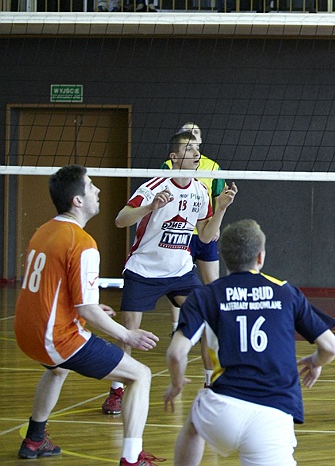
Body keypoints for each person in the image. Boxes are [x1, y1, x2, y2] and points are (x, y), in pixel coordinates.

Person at [14, 165, 163, 465]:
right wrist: (127, 334)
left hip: (26, 333)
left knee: (57, 369)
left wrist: (86, 308)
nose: (97, 190)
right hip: (54, 338)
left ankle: (34, 439)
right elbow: (88, 310)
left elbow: (55, 290)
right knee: (140, 375)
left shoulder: (44, 230)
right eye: (91, 185)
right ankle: (132, 458)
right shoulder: (82, 243)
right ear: (77, 201)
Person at [164, 219, 335, 465]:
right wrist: (316, 362)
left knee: (194, 424)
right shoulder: (286, 292)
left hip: (223, 410)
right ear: (260, 257)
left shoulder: (206, 294)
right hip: (272, 414)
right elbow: (331, 347)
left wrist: (175, 384)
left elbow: (175, 354)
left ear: (225, 258)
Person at [101, 131, 237, 415]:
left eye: (198, 149)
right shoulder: (153, 186)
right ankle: (116, 390)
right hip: (143, 270)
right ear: (174, 157)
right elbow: (120, 220)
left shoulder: (200, 191)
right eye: (189, 149)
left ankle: (211, 385)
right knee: (128, 332)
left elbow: (206, 236)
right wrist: (149, 207)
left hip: (180, 271)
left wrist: (221, 209)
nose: (196, 153)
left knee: (209, 321)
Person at [162, 122, 226, 386]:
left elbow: (219, 198)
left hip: (204, 230)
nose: (193, 138)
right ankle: (179, 327)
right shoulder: (168, 165)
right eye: (188, 135)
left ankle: (211, 364)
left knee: (212, 290)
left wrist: (216, 224)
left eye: (196, 134)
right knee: (179, 281)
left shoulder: (213, 167)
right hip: (180, 234)